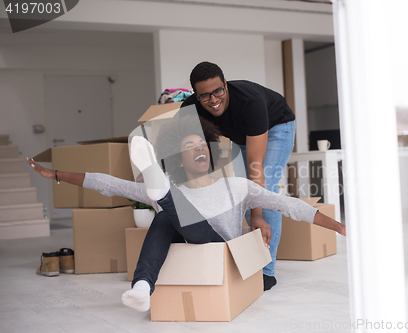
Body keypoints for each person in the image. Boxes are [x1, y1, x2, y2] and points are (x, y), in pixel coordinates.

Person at [27, 115, 346, 313]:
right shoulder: (178, 192)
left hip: (220, 245)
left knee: (165, 206)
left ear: (210, 151)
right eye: (188, 146)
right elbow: (109, 184)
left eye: (202, 145)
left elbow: (290, 205)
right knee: (166, 215)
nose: (198, 149)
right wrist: (54, 174)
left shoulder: (237, 186)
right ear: (178, 159)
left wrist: (339, 226)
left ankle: (158, 190)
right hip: (179, 221)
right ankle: (142, 289)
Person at [181, 61, 297, 289]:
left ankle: (266, 271)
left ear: (225, 84)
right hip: (242, 136)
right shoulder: (188, 110)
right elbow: (189, 158)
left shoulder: (250, 101)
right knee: (240, 194)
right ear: (196, 96)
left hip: (276, 127)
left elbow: (256, 166)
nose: (213, 100)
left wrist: (257, 215)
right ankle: (252, 260)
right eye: (205, 96)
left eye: (218, 91)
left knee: (264, 193)